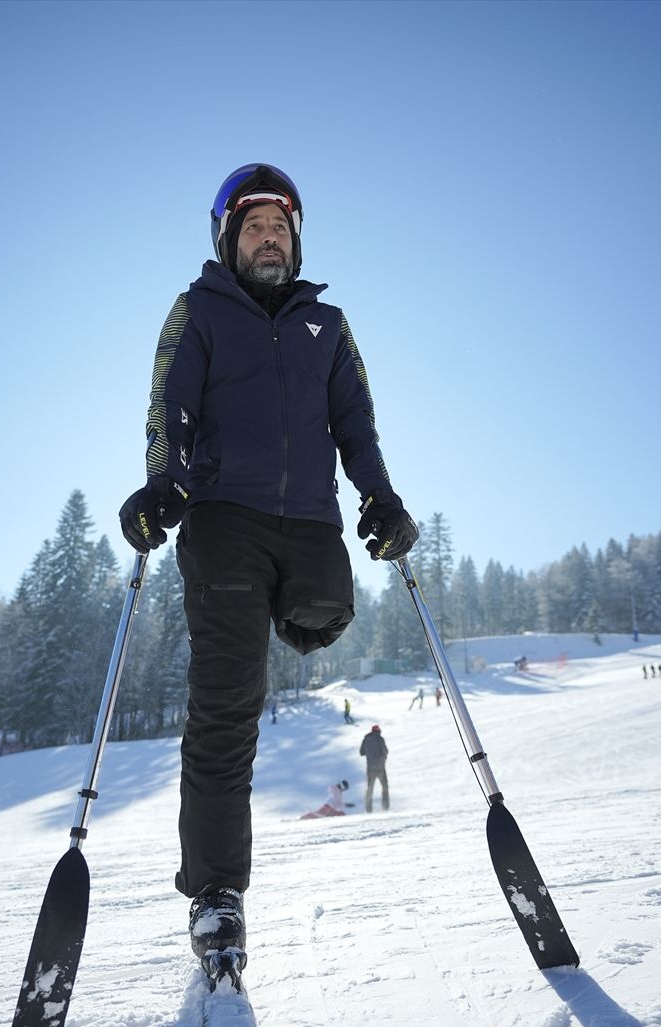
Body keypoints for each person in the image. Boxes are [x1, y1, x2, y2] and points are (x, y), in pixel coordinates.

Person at [118, 163, 417, 984]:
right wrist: (162, 481)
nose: (268, 238)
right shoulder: (199, 312)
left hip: (312, 522)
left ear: (296, 238)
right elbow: (167, 405)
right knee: (228, 703)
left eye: (279, 226)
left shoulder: (328, 322)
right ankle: (216, 893)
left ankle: (284, 620)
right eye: (252, 227)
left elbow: (356, 421)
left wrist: (383, 500)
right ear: (228, 238)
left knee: (324, 612)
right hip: (224, 520)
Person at [360, 724, 390, 812]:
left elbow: (361, 752)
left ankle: (368, 809)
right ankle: (385, 807)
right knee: (385, 787)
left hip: (370, 768)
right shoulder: (380, 739)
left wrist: (369, 753)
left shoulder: (366, 739)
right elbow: (385, 751)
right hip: (380, 767)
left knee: (370, 788)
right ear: (378, 731)